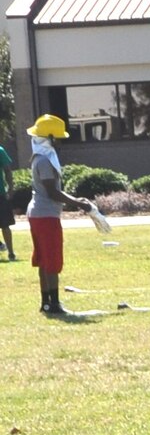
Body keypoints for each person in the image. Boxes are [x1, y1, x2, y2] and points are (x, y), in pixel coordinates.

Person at [25, 115, 84, 318]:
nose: (60, 142)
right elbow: (52, 192)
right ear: (49, 137)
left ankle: (46, 303)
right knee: (51, 259)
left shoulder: (40, 156)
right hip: (46, 215)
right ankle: (54, 303)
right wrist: (78, 203)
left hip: (38, 213)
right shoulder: (44, 160)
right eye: (58, 138)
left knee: (43, 259)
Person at [0, 137, 16, 260]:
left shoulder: (0, 151)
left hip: (0, 194)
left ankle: (11, 252)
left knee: (5, 225)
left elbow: (7, 170)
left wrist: (10, 188)